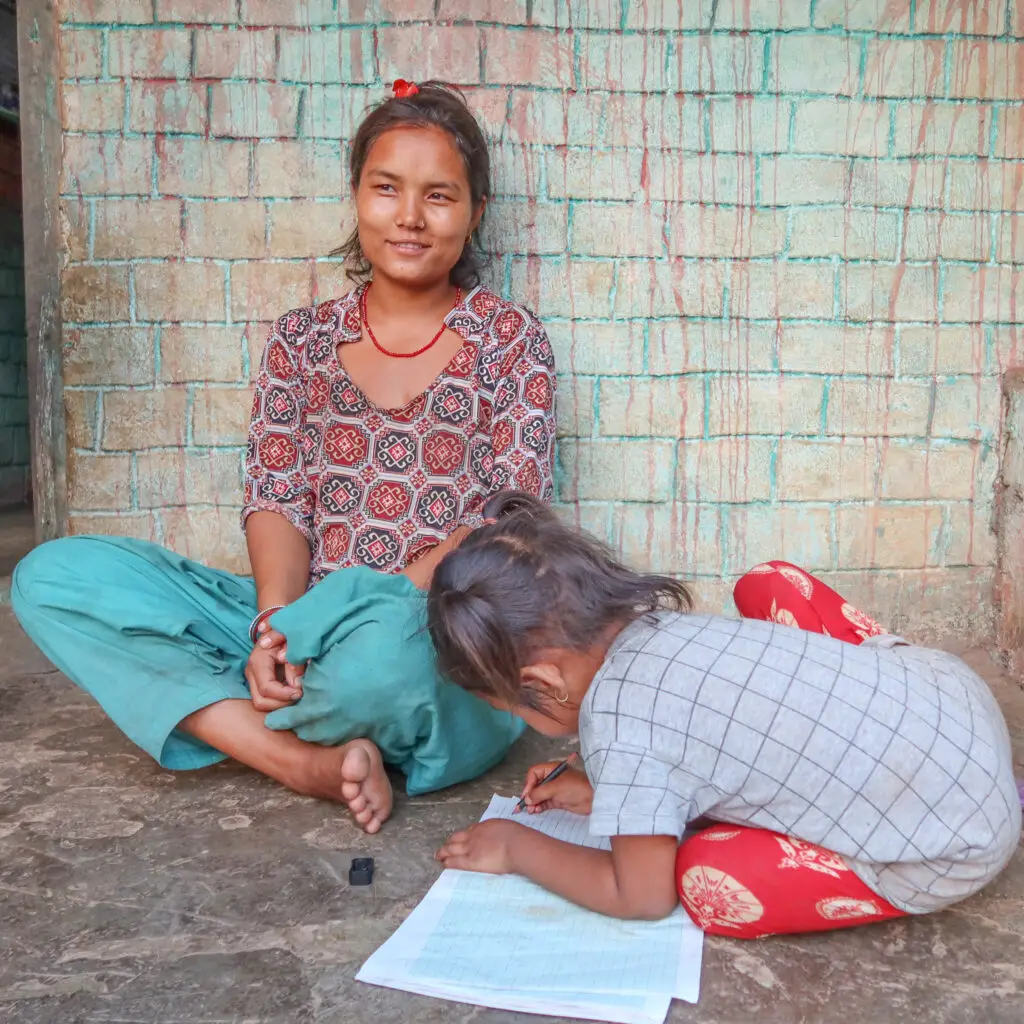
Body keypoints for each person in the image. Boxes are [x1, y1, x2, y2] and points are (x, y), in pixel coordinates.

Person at [12, 81, 556, 834]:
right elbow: (276, 495)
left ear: (475, 213)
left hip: (431, 629)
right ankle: (303, 759)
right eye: (386, 188)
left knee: (378, 666)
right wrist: (275, 625)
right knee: (53, 579)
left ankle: (243, 713)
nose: (408, 216)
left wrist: (337, 620)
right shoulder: (300, 340)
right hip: (298, 615)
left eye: (439, 196)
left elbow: (509, 518)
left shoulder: (510, 341)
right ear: (357, 196)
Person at [428, 493, 1020, 937]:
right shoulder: (659, 623)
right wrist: (609, 787)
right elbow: (700, 723)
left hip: (958, 842)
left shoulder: (619, 732)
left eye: (510, 706)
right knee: (767, 585)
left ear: (541, 684)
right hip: (956, 700)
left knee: (704, 880)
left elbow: (640, 896)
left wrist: (515, 846)